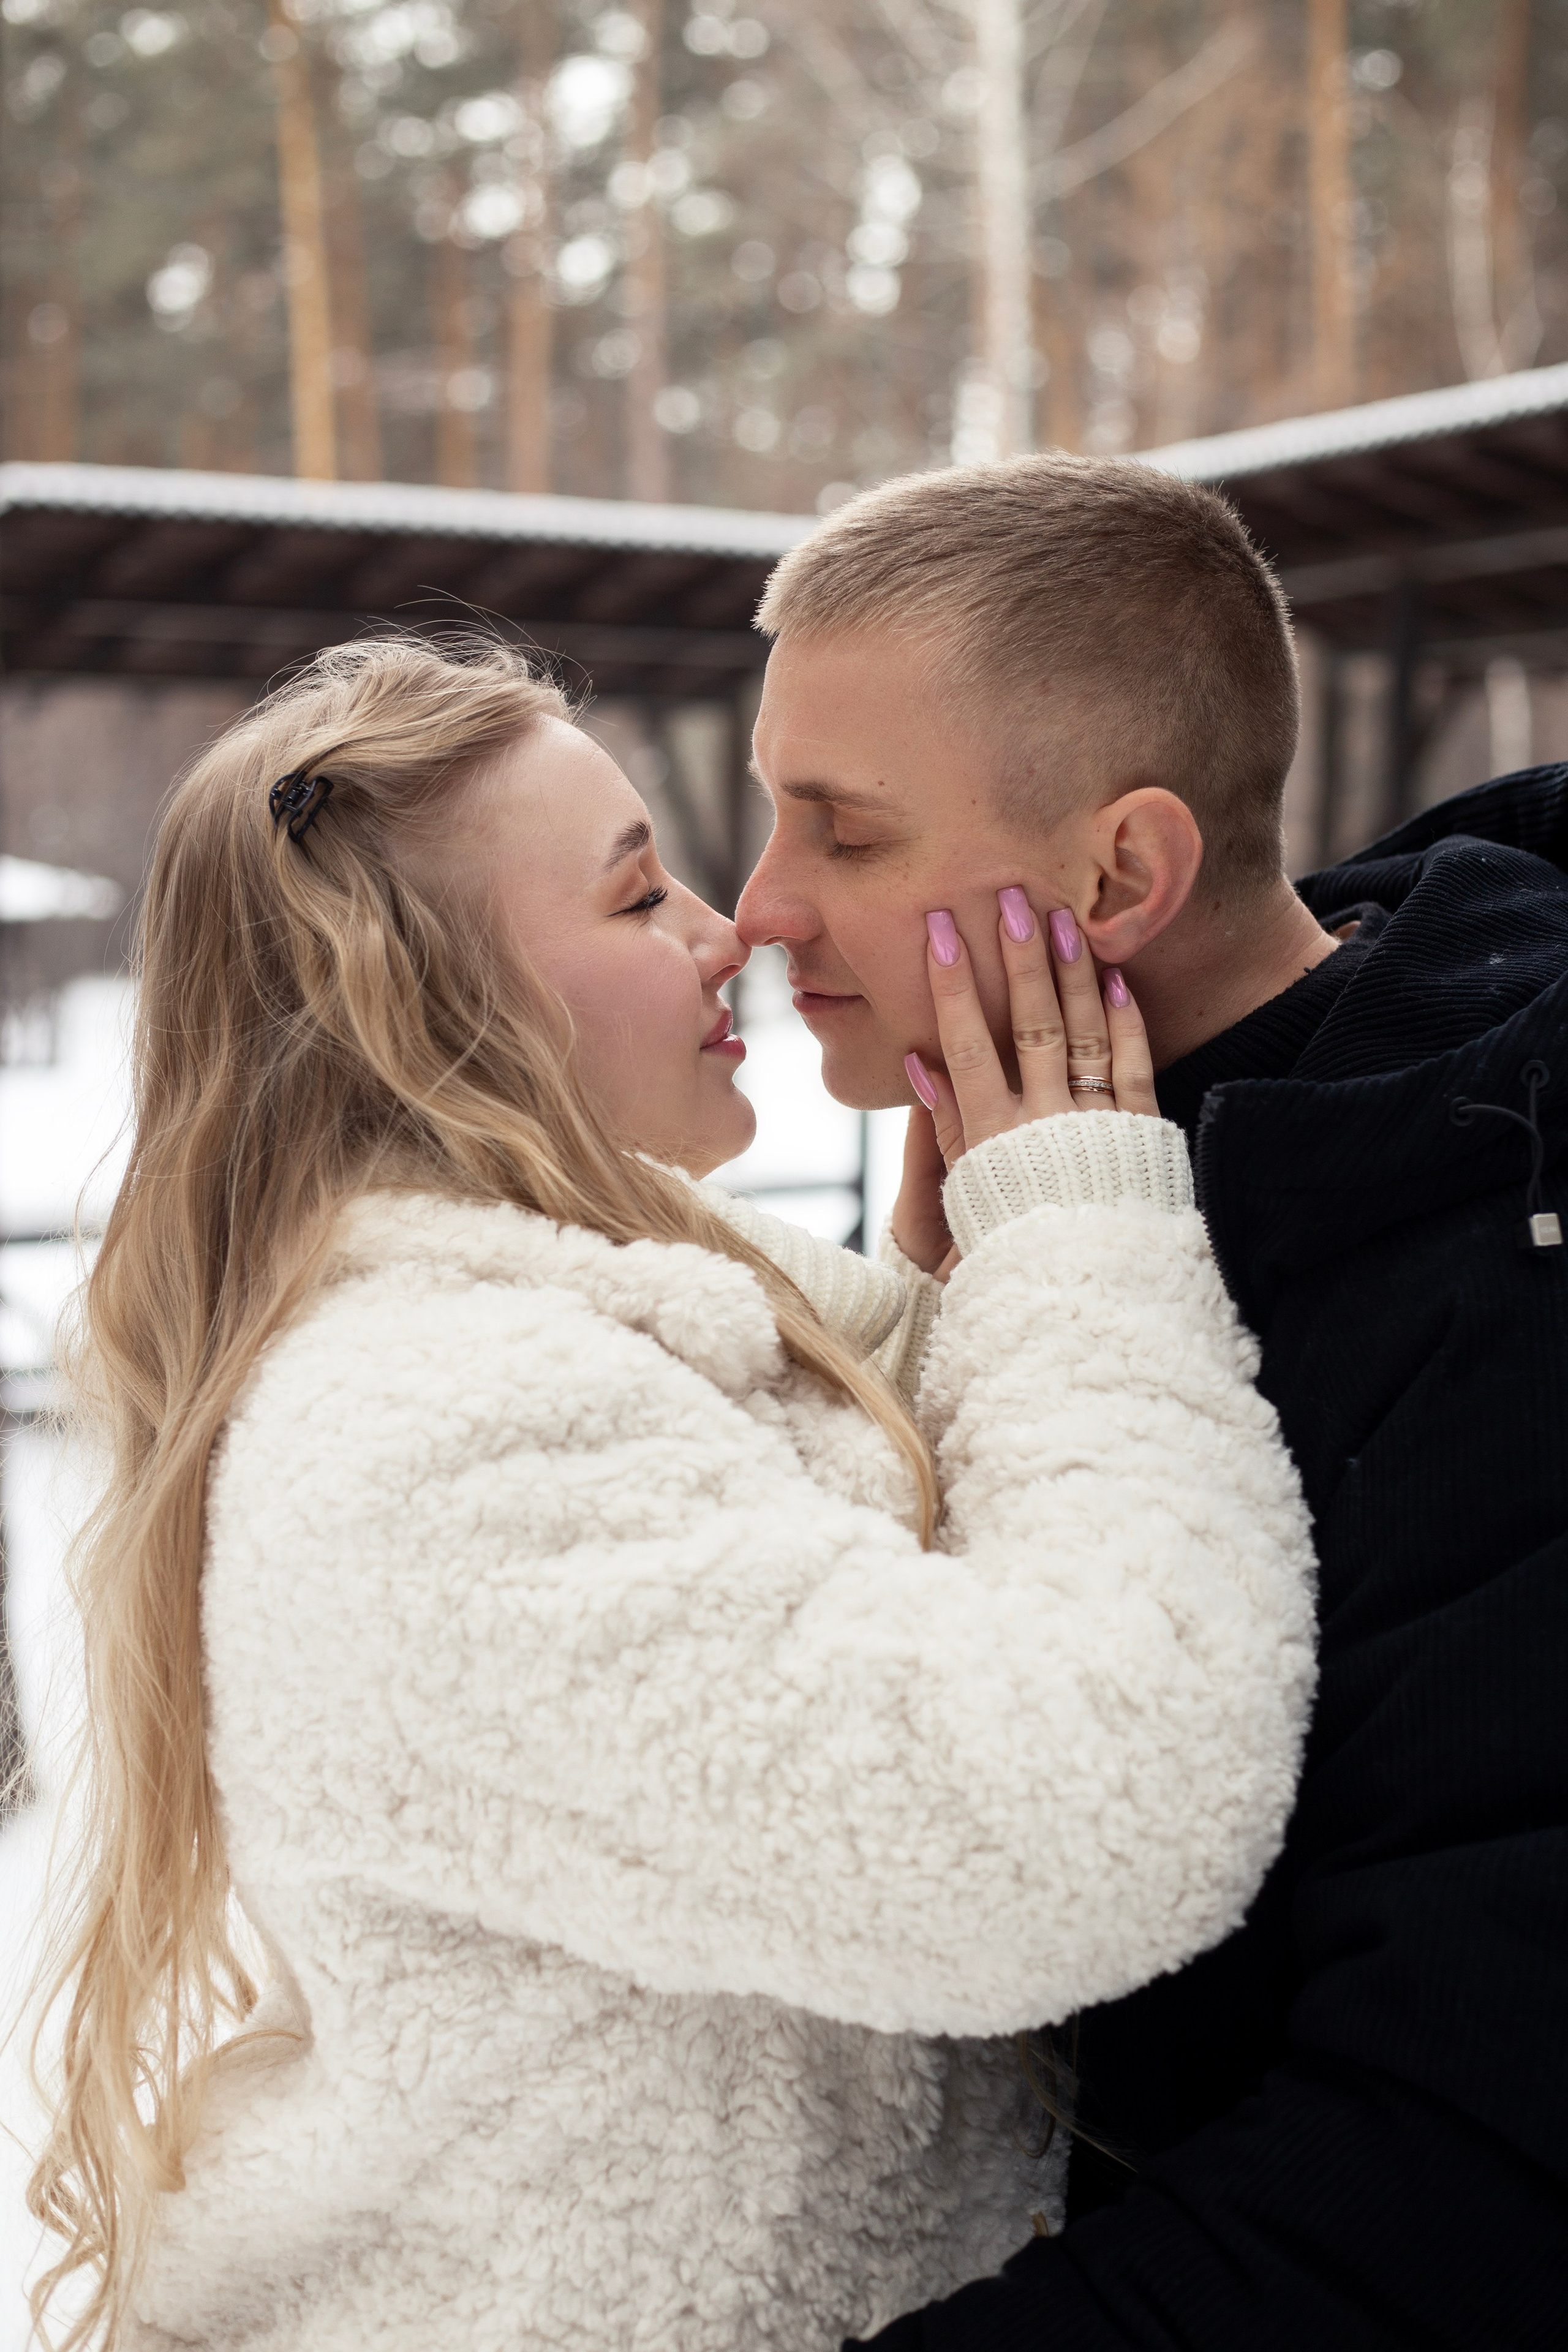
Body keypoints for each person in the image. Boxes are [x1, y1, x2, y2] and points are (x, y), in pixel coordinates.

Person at [26, 635, 1315, 2352]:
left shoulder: (591, 1334)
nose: (734, 930)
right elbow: (1074, 1819)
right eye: (641, 902)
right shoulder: (439, 1437)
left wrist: (946, 1328)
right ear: (426, 1014)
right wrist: (1082, 1239)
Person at [736, 453, 1568, 2352]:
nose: (758, 911)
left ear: (1122, 873)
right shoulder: (1055, 1181)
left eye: (843, 835)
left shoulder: (1503, 1275)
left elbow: (1461, 2171)